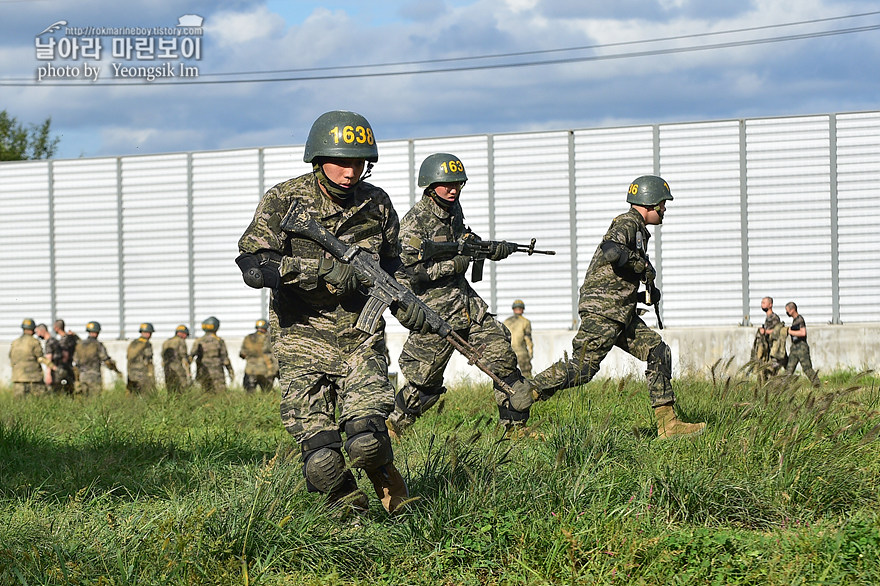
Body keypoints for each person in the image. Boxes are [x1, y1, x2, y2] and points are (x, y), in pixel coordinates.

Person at [236, 110, 420, 515]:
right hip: (301, 339)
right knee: (322, 462)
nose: (350, 171)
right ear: (317, 159)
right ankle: (350, 512)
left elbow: (393, 266)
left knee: (366, 440)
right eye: (341, 161)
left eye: (358, 162)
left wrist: (408, 303)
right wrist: (318, 270)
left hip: (359, 338)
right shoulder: (285, 198)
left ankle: (395, 496)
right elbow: (253, 264)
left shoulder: (378, 203)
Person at [532, 175, 706, 440]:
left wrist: (644, 292)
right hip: (604, 311)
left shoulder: (637, 230)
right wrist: (641, 265)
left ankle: (668, 425)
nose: (665, 209)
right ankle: (520, 396)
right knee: (582, 369)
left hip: (619, 311)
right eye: (662, 204)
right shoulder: (627, 222)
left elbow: (614, 275)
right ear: (650, 202)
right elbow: (612, 250)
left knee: (657, 350)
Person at [386, 153, 535, 438]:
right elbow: (407, 272)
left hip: (468, 306)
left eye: (458, 183)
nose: (453, 189)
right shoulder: (414, 222)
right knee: (424, 381)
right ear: (430, 186)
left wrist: (486, 248)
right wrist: (453, 264)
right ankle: (391, 430)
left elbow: (463, 240)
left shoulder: (454, 211)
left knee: (502, 356)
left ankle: (516, 429)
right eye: (447, 184)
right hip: (434, 314)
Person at [73, 321, 120, 395]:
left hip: (82, 376)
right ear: (97, 332)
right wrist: (116, 370)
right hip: (94, 376)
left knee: (83, 399)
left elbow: (75, 361)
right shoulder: (98, 345)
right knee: (94, 401)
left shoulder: (80, 345)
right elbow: (106, 360)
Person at [189, 317, 234, 393]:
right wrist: (230, 372)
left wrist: (189, 373)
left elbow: (190, 357)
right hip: (217, 373)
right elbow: (225, 359)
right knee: (221, 395)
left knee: (205, 394)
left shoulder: (198, 341)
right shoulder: (219, 341)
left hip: (203, 372)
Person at [9, 318, 49, 397]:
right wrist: (52, 366)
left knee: (18, 405)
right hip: (33, 379)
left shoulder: (15, 342)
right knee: (40, 403)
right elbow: (40, 357)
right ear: (32, 329)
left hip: (18, 379)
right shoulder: (34, 342)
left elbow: (11, 356)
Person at [784, 302, 821, 387]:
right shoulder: (794, 321)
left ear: (792, 309)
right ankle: (782, 388)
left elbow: (803, 333)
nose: (787, 313)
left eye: (787, 310)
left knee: (807, 368)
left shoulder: (800, 319)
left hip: (801, 348)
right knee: (789, 370)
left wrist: (790, 331)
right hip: (794, 348)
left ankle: (817, 386)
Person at [751, 296, 787, 383]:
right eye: (761, 303)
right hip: (768, 349)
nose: (761, 304)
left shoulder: (774, 317)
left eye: (764, 303)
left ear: (770, 304)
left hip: (774, 350)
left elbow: (777, 330)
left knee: (773, 371)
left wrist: (765, 331)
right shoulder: (768, 318)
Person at [239, 319, 278, 393]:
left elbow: (242, 354)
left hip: (250, 371)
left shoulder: (248, 338)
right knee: (268, 394)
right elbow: (275, 355)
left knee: (249, 395)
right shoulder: (270, 338)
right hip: (266, 371)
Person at [503, 299, 534, 378]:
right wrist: (530, 351)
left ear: (513, 309)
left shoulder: (506, 322)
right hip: (521, 351)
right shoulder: (526, 322)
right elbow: (528, 338)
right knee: (526, 374)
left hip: (508, 350)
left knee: (508, 374)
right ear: (523, 309)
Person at [126, 323, 156, 393]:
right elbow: (148, 360)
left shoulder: (133, 343)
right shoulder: (146, 343)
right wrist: (151, 374)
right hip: (142, 374)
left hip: (131, 374)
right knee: (146, 395)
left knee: (132, 394)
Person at [162, 324, 192, 392]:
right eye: (186, 335)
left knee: (170, 389)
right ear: (183, 334)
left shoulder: (166, 342)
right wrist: (188, 372)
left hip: (167, 369)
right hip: (178, 369)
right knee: (183, 388)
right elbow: (183, 356)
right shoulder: (180, 341)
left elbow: (163, 356)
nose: (186, 337)